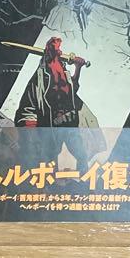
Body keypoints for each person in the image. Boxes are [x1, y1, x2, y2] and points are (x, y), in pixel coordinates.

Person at [16, 36, 103, 170]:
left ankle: (84, 179)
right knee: (50, 160)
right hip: (51, 127)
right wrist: (32, 131)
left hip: (70, 123)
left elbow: (72, 91)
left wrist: (78, 67)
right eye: (56, 50)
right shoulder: (39, 79)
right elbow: (28, 105)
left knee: (81, 155)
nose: (60, 53)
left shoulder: (63, 72)